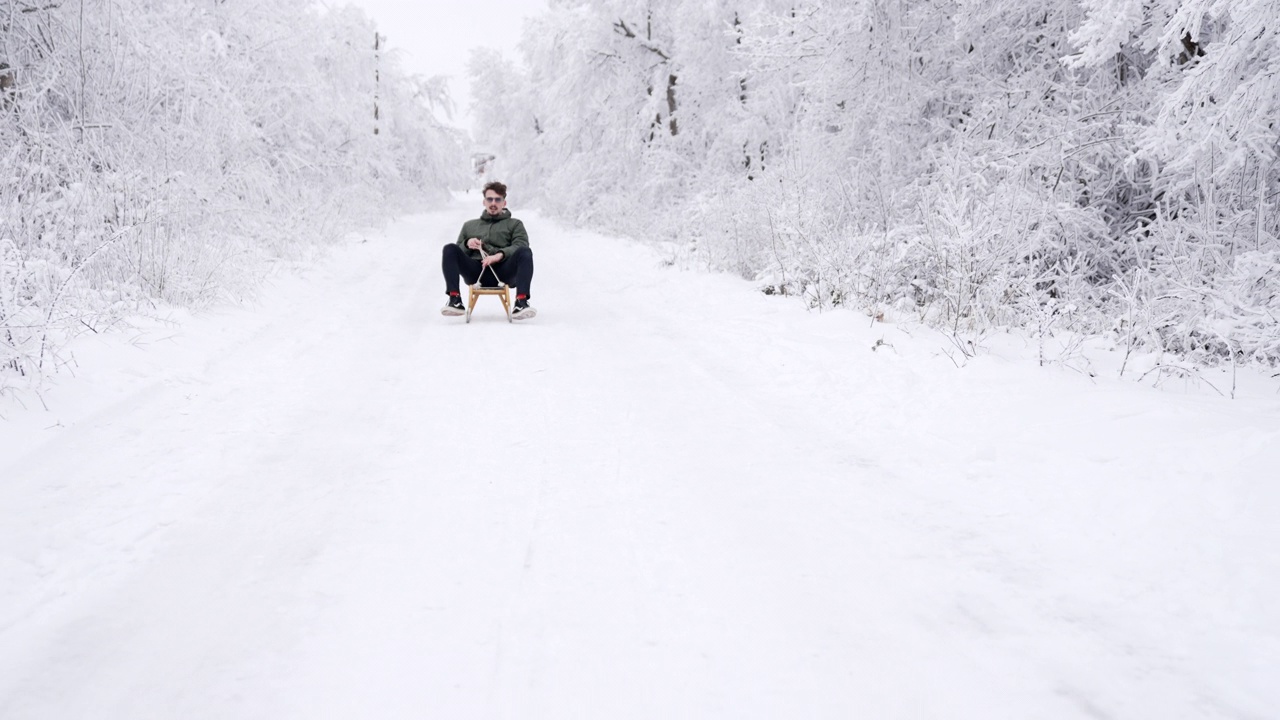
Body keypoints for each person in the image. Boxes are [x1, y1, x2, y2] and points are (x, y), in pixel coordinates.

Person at [440, 181, 536, 320]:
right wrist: (467, 244)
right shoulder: (469, 226)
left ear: (504, 202)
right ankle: (455, 300)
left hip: (503, 271)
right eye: (490, 199)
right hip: (475, 271)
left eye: (498, 199)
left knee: (525, 252)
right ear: (484, 202)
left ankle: (521, 302)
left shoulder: (515, 224)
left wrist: (499, 255)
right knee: (449, 249)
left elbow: (520, 245)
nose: (493, 203)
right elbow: (456, 255)